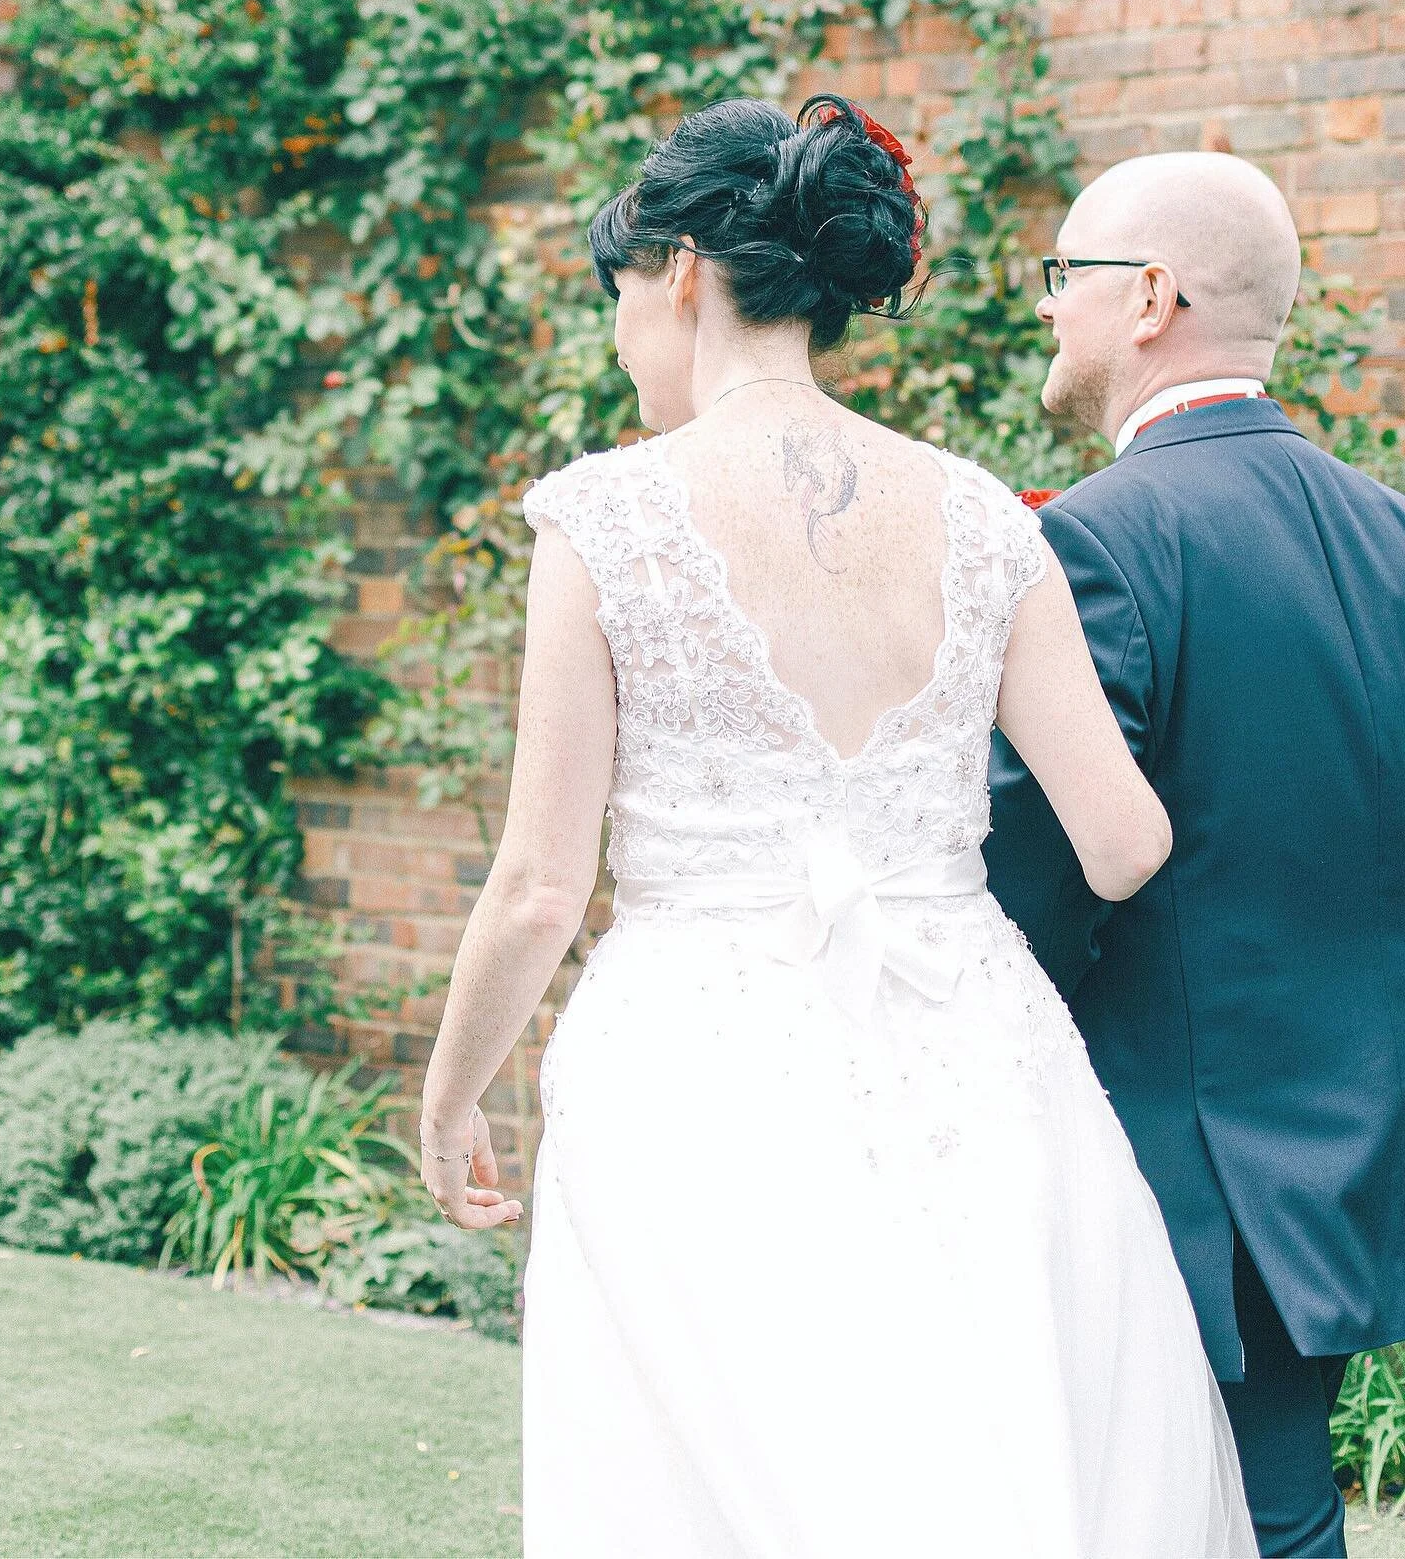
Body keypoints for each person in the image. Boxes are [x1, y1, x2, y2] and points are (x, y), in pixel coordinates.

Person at [416, 98, 1255, 1557]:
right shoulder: (991, 518)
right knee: (989, 1457)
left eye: (620, 300)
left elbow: (544, 883)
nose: (623, 345)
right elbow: (1125, 841)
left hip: (696, 1058)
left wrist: (448, 1095)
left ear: (680, 271)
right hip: (975, 1047)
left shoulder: (604, 518)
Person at [985, 150, 1405, 1559]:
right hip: (1345, 1147)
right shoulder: (1389, 532)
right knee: (1277, 1519)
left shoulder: (1101, 540)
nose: (1047, 308)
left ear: (1151, 296)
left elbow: (1028, 871)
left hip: (1178, 1165)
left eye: (1068, 275)